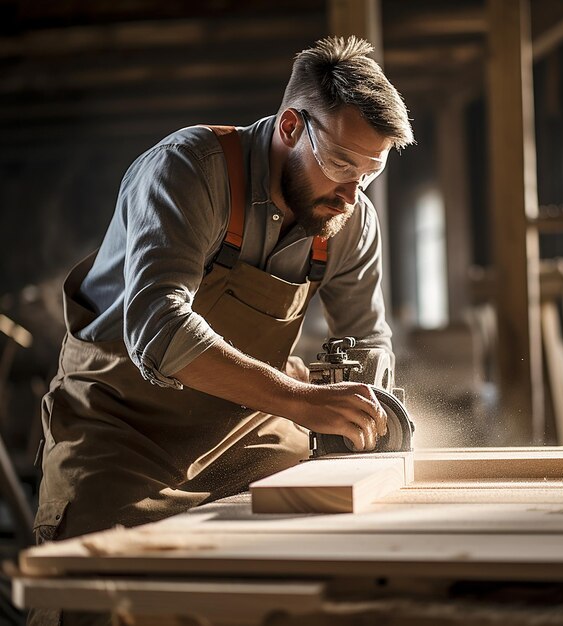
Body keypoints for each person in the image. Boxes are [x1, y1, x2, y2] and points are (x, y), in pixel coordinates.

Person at [34, 35, 414, 552]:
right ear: (290, 126)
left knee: (301, 566)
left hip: (248, 432)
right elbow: (159, 328)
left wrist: (368, 416)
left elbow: (368, 338)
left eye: (370, 173)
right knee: (99, 585)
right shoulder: (190, 170)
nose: (352, 194)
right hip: (121, 433)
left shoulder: (349, 217)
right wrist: (302, 399)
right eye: (342, 165)